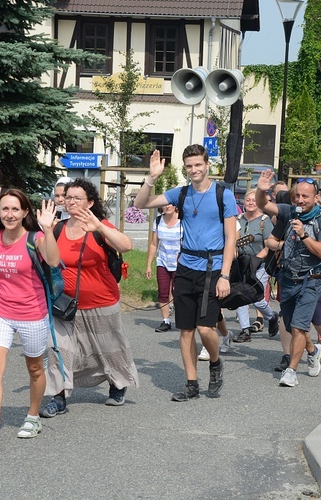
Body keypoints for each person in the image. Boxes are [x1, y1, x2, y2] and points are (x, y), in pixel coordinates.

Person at [134, 145, 236, 402]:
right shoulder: (180, 194)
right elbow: (140, 203)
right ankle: (191, 383)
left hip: (212, 269)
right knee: (186, 330)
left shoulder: (224, 194)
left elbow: (231, 239)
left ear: (207, 164)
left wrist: (225, 276)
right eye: (189, 166)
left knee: (205, 329)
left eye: (198, 165)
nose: (194, 170)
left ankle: (215, 361)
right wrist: (152, 177)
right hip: (186, 267)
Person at [0, 191, 59, 453]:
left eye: (15, 209)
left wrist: (49, 230)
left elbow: (53, 261)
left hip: (32, 314)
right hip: (0, 312)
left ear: (24, 213)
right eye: (5, 209)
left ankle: (33, 416)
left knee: (34, 369)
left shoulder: (36, 238)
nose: (9, 214)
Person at [42, 178, 137, 415]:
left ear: (90, 202)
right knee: (58, 350)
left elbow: (126, 246)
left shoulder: (99, 226)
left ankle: (117, 383)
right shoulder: (57, 228)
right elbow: (46, 259)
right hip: (64, 305)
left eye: (77, 198)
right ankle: (58, 397)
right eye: (67, 197)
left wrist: (101, 228)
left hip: (101, 302)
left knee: (110, 348)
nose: (70, 202)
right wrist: (45, 230)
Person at [256, 171, 321, 387]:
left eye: (305, 197)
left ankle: (291, 371)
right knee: (290, 325)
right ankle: (312, 349)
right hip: (289, 276)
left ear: (316, 198)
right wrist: (261, 190)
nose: (300, 200)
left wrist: (303, 235)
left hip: (313, 278)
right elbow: (264, 205)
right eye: (297, 196)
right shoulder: (289, 212)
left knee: (300, 327)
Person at [232, 190, 279, 342]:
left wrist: (255, 260)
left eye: (254, 200)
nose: (251, 203)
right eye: (248, 200)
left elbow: (269, 246)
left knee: (255, 295)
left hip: (260, 264)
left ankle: (271, 317)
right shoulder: (238, 219)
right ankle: (245, 330)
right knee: (240, 294)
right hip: (241, 263)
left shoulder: (265, 221)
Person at [145, 204, 181, 332]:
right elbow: (154, 244)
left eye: (170, 204)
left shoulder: (183, 220)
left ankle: (183, 321)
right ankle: (166, 321)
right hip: (163, 261)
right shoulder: (158, 221)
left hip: (180, 263)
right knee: (163, 291)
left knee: (178, 292)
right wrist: (149, 264)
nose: (168, 207)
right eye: (165, 205)